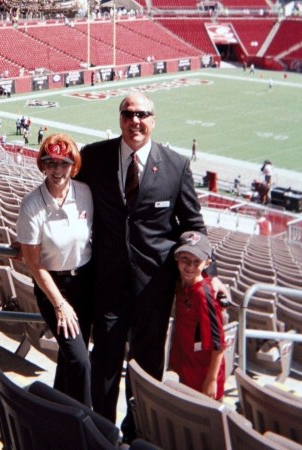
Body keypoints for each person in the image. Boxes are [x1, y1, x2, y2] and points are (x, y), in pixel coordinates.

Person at [77, 92, 225, 441]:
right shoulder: (95, 157)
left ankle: (137, 433)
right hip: (108, 282)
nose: (135, 121)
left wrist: (212, 273)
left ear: (153, 120)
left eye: (142, 114)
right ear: (120, 118)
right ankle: (102, 432)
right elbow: (67, 200)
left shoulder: (175, 166)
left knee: (145, 368)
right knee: (105, 364)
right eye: (128, 114)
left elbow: (193, 224)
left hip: (154, 288)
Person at [16, 133, 94, 406]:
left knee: (69, 356)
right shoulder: (32, 205)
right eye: (51, 163)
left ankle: (57, 411)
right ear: (42, 165)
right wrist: (60, 304)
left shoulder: (84, 193)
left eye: (63, 163)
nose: (57, 170)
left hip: (84, 283)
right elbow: (34, 264)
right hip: (54, 288)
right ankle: (87, 425)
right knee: (81, 360)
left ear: (73, 165)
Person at [169, 231, 226, 400]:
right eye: (185, 259)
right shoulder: (181, 284)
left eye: (196, 262)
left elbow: (219, 342)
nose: (189, 266)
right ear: (177, 258)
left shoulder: (203, 294)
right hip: (187, 367)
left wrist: (212, 379)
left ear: (207, 263)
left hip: (204, 374)